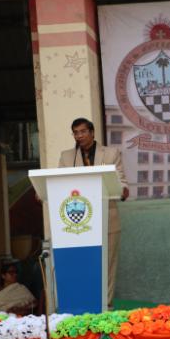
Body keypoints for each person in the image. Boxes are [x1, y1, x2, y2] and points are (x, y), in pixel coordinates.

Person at [58, 118, 129, 307]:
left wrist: (123, 189)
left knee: (107, 265)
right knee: (84, 265)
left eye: (83, 131)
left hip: (107, 217)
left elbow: (120, 180)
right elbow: (60, 184)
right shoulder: (67, 157)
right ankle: (83, 305)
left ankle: (106, 306)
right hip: (79, 221)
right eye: (75, 132)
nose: (79, 136)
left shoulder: (111, 153)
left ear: (92, 132)